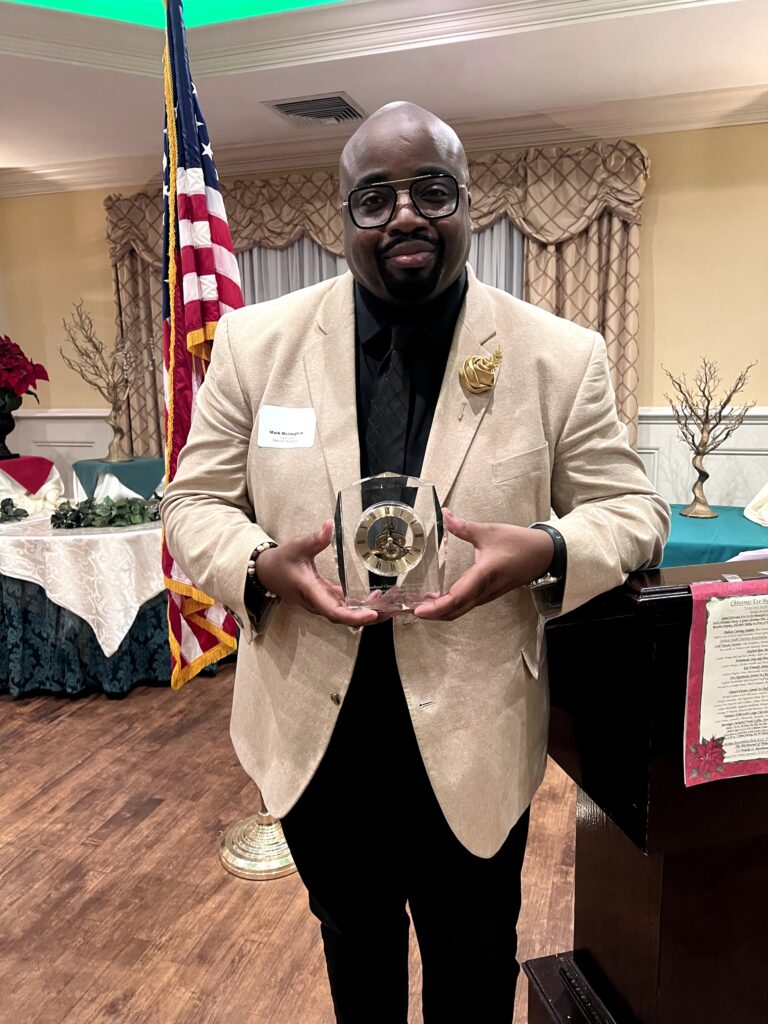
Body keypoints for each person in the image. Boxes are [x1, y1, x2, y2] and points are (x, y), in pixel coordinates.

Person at [161, 101, 669, 1023]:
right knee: (353, 951)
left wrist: (549, 549)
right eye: (375, 197)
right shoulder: (253, 345)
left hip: (475, 734)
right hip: (315, 733)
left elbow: (636, 512)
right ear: (344, 215)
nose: (404, 215)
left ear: (467, 202)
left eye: (431, 190)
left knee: (474, 964)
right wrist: (260, 565)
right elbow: (190, 503)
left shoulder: (559, 356)